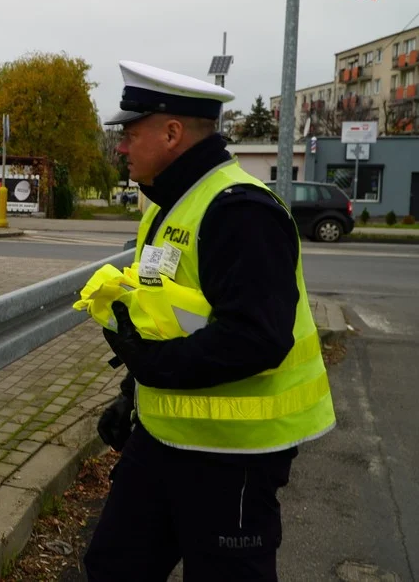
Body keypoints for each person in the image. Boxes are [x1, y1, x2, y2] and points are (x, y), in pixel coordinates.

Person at [83, 61, 336, 581]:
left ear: (172, 133)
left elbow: (256, 339)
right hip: (163, 438)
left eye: (130, 134)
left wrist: (152, 368)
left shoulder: (239, 211)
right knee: (113, 566)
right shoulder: (166, 204)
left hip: (232, 458)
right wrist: (134, 392)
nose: (121, 147)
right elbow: (171, 316)